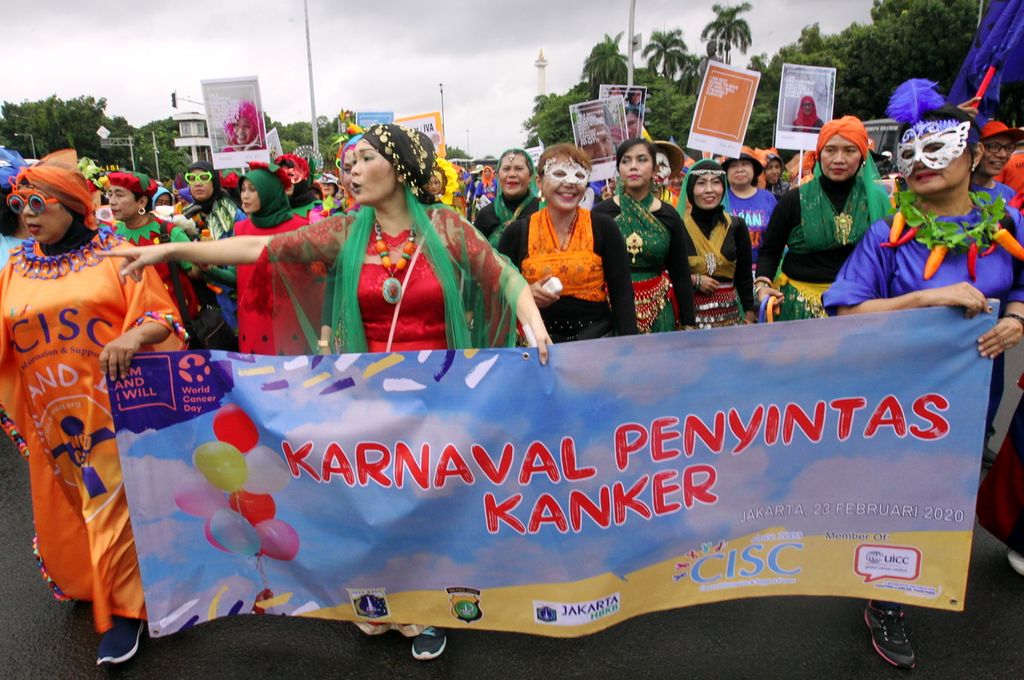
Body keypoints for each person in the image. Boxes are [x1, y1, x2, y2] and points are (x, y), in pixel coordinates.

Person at [104, 125, 552, 661]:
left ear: (400, 167)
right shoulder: (343, 232)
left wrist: (531, 321)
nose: (352, 170)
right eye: (349, 163)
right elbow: (259, 248)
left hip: (436, 399)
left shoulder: (447, 227)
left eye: (365, 159)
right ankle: (379, 599)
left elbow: (500, 274)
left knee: (425, 505)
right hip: (366, 400)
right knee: (374, 501)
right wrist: (174, 248)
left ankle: (428, 606)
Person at [823, 81, 1024, 670]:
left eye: (937, 151)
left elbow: (1020, 281)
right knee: (894, 493)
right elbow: (844, 308)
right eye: (909, 157)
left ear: (970, 155)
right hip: (897, 395)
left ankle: (926, 572)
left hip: (971, 387)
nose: (921, 166)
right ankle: (884, 598)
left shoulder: (1005, 220)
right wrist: (924, 300)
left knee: (948, 489)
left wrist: (1016, 318)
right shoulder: (887, 237)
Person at [0, 152, 186, 666]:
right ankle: (104, 585)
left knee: (115, 508)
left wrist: (132, 335)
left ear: (74, 207)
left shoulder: (117, 255)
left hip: (115, 411)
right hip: (50, 418)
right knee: (75, 507)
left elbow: (162, 318)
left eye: (40, 203)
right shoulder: (16, 266)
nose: (28, 214)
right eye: (20, 204)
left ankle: (126, 613)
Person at [755, 116, 890, 320]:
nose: (839, 159)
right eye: (830, 150)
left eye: (850, 150)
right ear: (819, 155)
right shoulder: (794, 200)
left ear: (862, 157)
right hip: (801, 307)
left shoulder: (877, 200)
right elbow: (770, 252)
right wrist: (762, 287)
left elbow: (890, 254)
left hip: (860, 306)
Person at [499, 143, 637, 342]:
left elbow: (622, 294)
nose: (570, 183)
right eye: (560, 174)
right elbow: (497, 294)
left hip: (596, 342)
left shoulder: (603, 227)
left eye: (579, 176)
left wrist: (628, 348)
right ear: (539, 182)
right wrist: (525, 294)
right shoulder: (517, 233)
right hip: (537, 344)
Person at [593, 138, 696, 332]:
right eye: (626, 161)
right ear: (618, 170)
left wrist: (688, 321)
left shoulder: (669, 215)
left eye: (642, 160)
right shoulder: (600, 214)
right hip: (610, 308)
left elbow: (680, 272)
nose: (633, 167)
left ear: (655, 169)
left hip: (658, 309)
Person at [106, 171, 201, 319]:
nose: (112, 201)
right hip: (131, 320)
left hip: (172, 321)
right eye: (110, 194)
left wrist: (205, 263)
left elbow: (195, 271)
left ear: (142, 202)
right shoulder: (111, 235)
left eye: (119, 195)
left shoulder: (169, 232)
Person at [681, 159, 756, 327]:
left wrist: (750, 316)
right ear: (690, 188)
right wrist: (694, 280)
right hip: (689, 322)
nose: (709, 190)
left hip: (730, 319)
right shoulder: (678, 227)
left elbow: (744, 276)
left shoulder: (737, 226)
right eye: (701, 183)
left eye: (716, 182)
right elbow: (667, 274)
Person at [473, 148, 541, 246]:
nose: (512, 174)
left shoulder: (542, 210)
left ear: (530, 176)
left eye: (519, 168)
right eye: (506, 169)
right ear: (498, 175)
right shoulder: (485, 215)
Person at [723, 149, 777, 268]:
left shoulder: (768, 198)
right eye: (733, 165)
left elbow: (777, 236)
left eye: (745, 164)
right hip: (727, 270)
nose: (740, 169)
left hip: (762, 270)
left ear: (753, 169)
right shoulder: (720, 198)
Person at [972, 120, 1023, 204]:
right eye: (994, 147)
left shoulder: (1010, 195)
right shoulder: (955, 193)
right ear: (976, 150)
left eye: (1008, 148)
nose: (1003, 155)